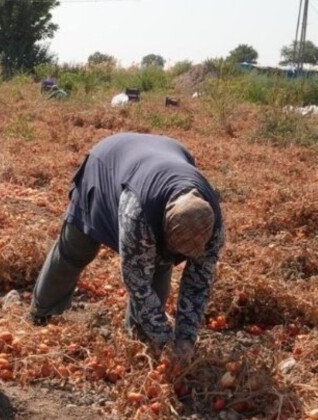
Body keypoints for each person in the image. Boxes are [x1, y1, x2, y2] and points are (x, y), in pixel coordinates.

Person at [30, 132, 224, 360]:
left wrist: (185, 339)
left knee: (160, 264)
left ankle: (140, 339)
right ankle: (43, 312)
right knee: (77, 250)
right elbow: (137, 281)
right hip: (106, 166)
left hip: (159, 158)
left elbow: (198, 284)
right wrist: (164, 336)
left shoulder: (213, 226)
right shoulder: (138, 214)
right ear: (163, 226)